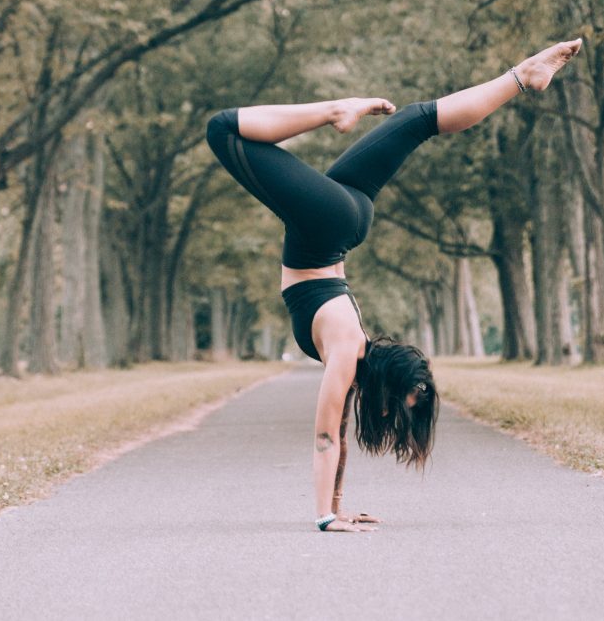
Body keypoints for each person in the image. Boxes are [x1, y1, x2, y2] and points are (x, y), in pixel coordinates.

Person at [206, 39, 582, 532]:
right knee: (221, 129)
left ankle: (522, 75)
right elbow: (324, 438)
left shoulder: (350, 355)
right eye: (394, 401)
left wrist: (336, 507)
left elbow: (335, 432)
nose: (385, 410)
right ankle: (334, 110)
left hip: (345, 216)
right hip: (327, 225)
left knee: (420, 119)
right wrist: (323, 517)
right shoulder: (345, 350)